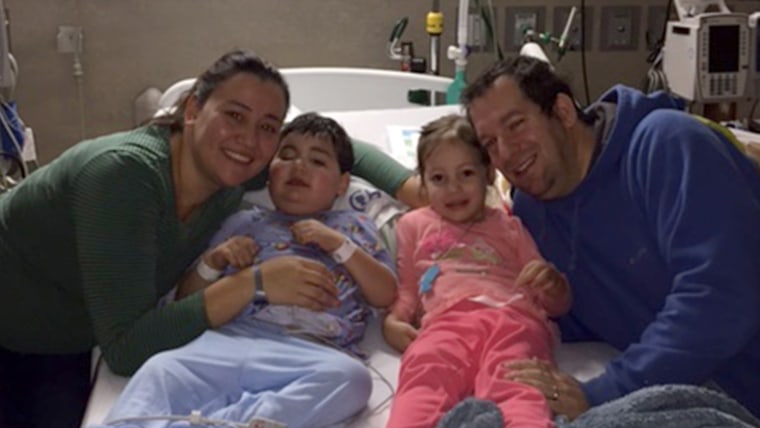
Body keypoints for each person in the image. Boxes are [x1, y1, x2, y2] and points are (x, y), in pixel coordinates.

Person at [0, 49, 418, 428]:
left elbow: (334, 149)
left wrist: (410, 187)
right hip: (17, 337)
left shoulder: (235, 167)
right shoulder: (123, 177)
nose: (250, 140)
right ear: (193, 109)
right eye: (234, 116)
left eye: (267, 127)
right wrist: (252, 283)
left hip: (76, 334)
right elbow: (127, 351)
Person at [460, 55, 760, 419]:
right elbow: (600, 314)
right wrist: (556, 305)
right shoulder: (531, 211)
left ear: (563, 111)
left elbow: (721, 298)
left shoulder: (667, 146)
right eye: (490, 143)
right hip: (690, 391)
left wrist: (606, 391)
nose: (506, 152)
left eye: (516, 124)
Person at [95, 112, 397, 428]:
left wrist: (339, 245)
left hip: (310, 350)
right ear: (269, 174)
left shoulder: (353, 227)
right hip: (228, 338)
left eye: (317, 161)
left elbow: (384, 293)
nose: (298, 166)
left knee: (352, 381)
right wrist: (214, 261)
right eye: (287, 155)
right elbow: (187, 299)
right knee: (161, 370)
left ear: (342, 184)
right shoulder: (243, 222)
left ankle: (238, 421)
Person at [382, 114, 572, 427]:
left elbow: (552, 300)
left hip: (513, 320)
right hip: (446, 322)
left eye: (466, 173)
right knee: (424, 374)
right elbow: (408, 288)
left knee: (520, 384)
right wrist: (393, 320)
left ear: (488, 174)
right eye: (438, 178)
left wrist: (554, 287)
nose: (453, 188)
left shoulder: (508, 226)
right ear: (424, 183)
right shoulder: (413, 225)